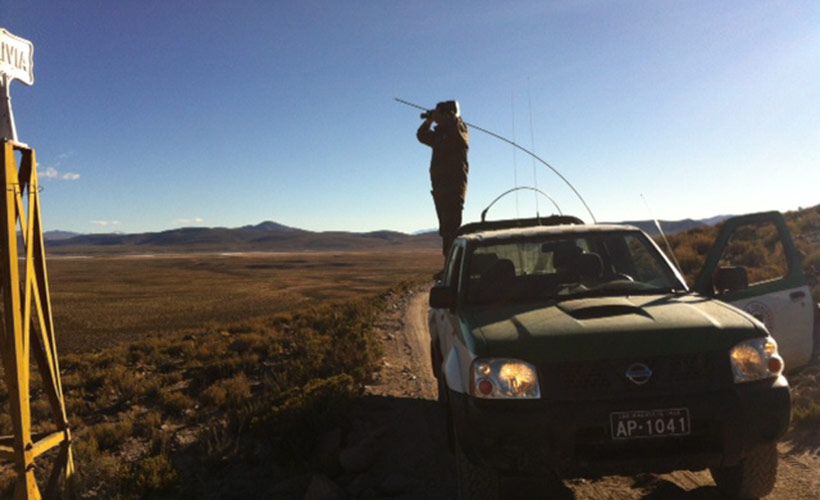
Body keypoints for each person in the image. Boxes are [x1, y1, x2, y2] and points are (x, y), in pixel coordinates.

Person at [416, 100, 470, 261]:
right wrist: (429, 120)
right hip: (440, 187)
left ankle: (452, 264)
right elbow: (422, 136)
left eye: (440, 113)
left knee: (451, 228)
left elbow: (456, 130)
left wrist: (447, 117)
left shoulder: (460, 129)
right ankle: (449, 263)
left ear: (449, 115)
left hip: (453, 187)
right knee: (445, 228)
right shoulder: (441, 135)